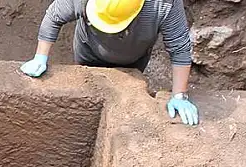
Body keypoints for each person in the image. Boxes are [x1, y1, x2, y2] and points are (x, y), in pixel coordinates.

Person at [20, 0, 200, 125]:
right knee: (87, 93)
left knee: (124, 101)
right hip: (88, 51)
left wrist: (179, 95)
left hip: (133, 58)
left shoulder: (164, 5)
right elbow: (54, 16)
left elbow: (180, 48)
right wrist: (40, 57)